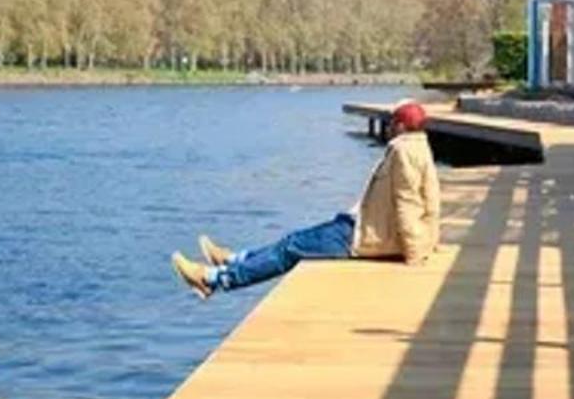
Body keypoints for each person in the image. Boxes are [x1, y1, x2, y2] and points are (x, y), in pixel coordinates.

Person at [171, 100, 441, 298]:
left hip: (363, 238)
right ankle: (234, 260)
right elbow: (433, 201)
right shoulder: (419, 148)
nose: (389, 127)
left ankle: (213, 279)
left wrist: (415, 255)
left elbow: (408, 204)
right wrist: (432, 238)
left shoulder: (404, 153)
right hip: (360, 227)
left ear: (402, 126)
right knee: (291, 241)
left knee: (290, 249)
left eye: (393, 122)